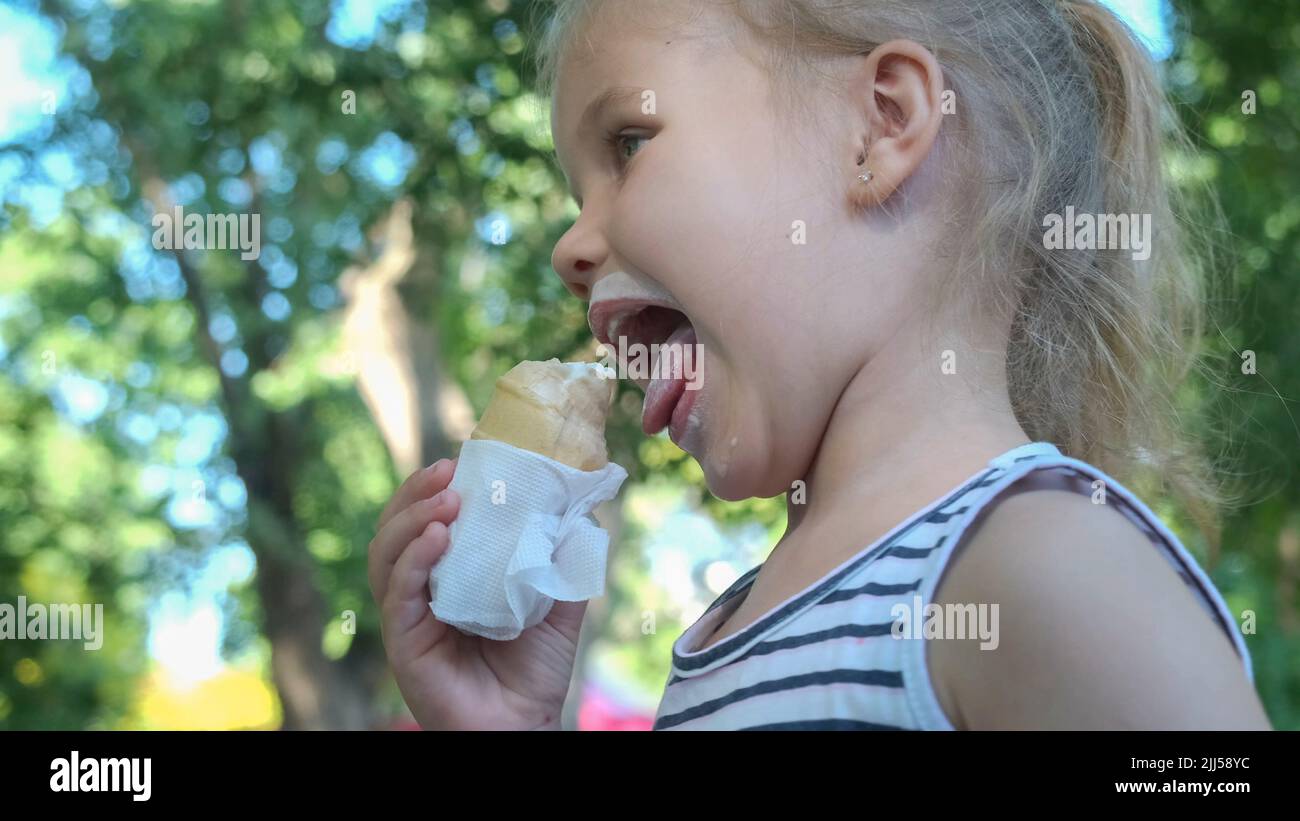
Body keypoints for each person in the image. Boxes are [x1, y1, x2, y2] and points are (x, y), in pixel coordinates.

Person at [368, 0, 1272, 730]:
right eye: (576, 191)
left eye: (628, 144)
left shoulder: (1039, 565)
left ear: (881, 126)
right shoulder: (724, 629)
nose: (569, 244)